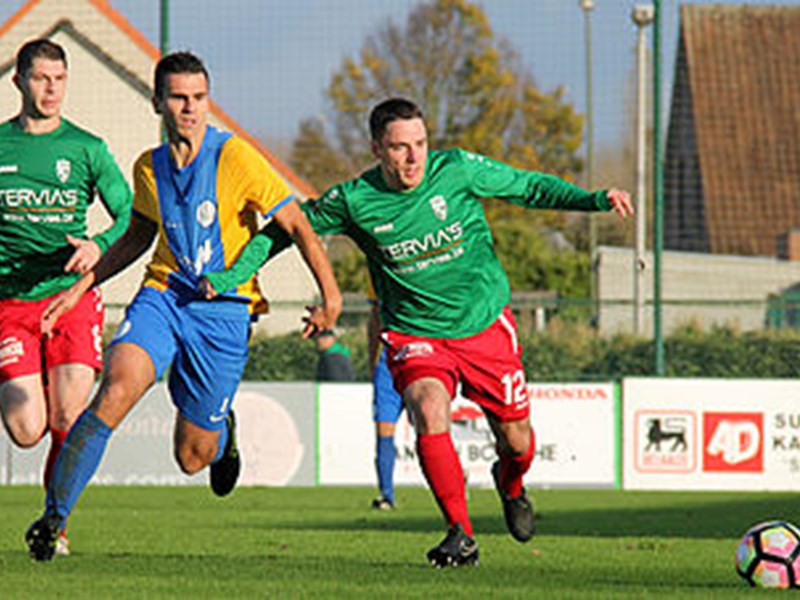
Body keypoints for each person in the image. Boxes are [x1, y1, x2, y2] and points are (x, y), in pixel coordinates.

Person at [201, 97, 633, 567]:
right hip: (414, 332)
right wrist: (228, 276)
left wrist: (593, 200)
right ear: (377, 149)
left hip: (483, 324)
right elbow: (286, 229)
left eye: (421, 144)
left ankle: (510, 486)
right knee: (429, 410)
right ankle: (460, 534)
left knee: (517, 440)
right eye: (400, 147)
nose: (413, 158)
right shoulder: (354, 200)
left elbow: (527, 187)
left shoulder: (458, 169)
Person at [24, 51, 341, 562]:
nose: (190, 108)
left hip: (224, 311)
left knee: (192, 458)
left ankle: (223, 431)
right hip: (164, 296)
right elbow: (137, 237)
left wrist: (331, 298)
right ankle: (54, 518)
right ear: (158, 102)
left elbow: (298, 226)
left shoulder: (236, 157)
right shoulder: (148, 167)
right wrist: (81, 287)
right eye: (178, 97)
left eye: (198, 98)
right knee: (116, 387)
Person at [0, 39, 133, 556]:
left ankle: (54, 526)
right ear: (19, 81)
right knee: (26, 429)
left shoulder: (87, 148)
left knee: (68, 417)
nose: (51, 89)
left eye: (59, 79)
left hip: (70, 300)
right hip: (10, 305)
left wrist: (97, 245)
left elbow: (128, 214)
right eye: (40, 78)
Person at [367, 294, 403, 511]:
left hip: (420, 354)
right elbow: (374, 320)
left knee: (432, 425)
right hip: (387, 363)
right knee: (384, 429)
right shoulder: (375, 274)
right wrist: (373, 359)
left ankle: (451, 481)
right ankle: (386, 495)